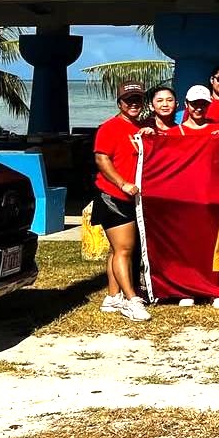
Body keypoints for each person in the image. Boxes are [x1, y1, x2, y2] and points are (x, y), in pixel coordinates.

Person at [93, 81, 151, 322]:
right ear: (120, 103)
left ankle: (113, 296)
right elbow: (102, 159)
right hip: (113, 196)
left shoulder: (141, 126)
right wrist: (122, 183)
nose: (134, 104)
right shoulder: (110, 128)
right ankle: (131, 299)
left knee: (119, 249)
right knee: (125, 249)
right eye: (129, 100)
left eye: (138, 100)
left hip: (134, 198)